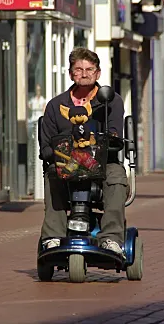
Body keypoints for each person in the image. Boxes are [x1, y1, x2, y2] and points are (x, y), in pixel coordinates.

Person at [39, 47, 128, 257]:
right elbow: (46, 146)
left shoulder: (110, 101)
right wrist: (58, 152)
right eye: (78, 69)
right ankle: (52, 237)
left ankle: (112, 239)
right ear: (71, 74)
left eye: (90, 69)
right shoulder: (56, 105)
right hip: (67, 162)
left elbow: (115, 136)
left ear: (98, 73)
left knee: (116, 177)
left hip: (104, 161)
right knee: (53, 173)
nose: (85, 73)